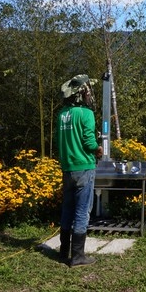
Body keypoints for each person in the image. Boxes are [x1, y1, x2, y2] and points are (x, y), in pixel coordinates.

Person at [56, 74, 103, 267]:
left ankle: (63, 251)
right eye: (88, 91)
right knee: (83, 210)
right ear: (82, 93)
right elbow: (89, 141)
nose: (90, 94)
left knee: (67, 208)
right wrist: (98, 150)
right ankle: (77, 256)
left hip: (67, 167)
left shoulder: (62, 114)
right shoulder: (86, 114)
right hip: (84, 167)